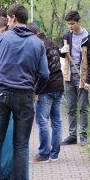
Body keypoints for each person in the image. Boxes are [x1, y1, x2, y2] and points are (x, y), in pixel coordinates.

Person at [0, 3, 49, 180]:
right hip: (25, 95)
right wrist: (35, 91)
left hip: (1, 93)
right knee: (21, 144)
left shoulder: (2, 38)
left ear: (12, 18)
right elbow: (44, 74)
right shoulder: (37, 43)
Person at [26, 23, 64, 163]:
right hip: (59, 85)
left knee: (42, 121)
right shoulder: (52, 43)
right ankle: (55, 154)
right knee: (56, 121)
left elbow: (40, 70)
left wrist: (35, 88)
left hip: (46, 87)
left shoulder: (38, 45)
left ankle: (43, 154)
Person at [59, 11, 90, 146]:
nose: (70, 26)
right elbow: (64, 56)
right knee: (70, 107)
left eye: (72, 24)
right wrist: (62, 52)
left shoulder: (89, 38)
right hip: (69, 75)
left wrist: (88, 81)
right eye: (68, 24)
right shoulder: (66, 36)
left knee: (83, 107)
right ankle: (72, 135)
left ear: (79, 22)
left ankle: (83, 136)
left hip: (82, 76)